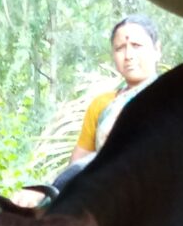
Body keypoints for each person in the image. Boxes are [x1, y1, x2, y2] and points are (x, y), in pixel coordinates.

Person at [51, 15, 163, 189]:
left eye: (136, 46)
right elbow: (78, 167)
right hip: (105, 197)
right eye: (120, 48)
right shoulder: (102, 104)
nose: (128, 56)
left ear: (157, 50)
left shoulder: (174, 98)